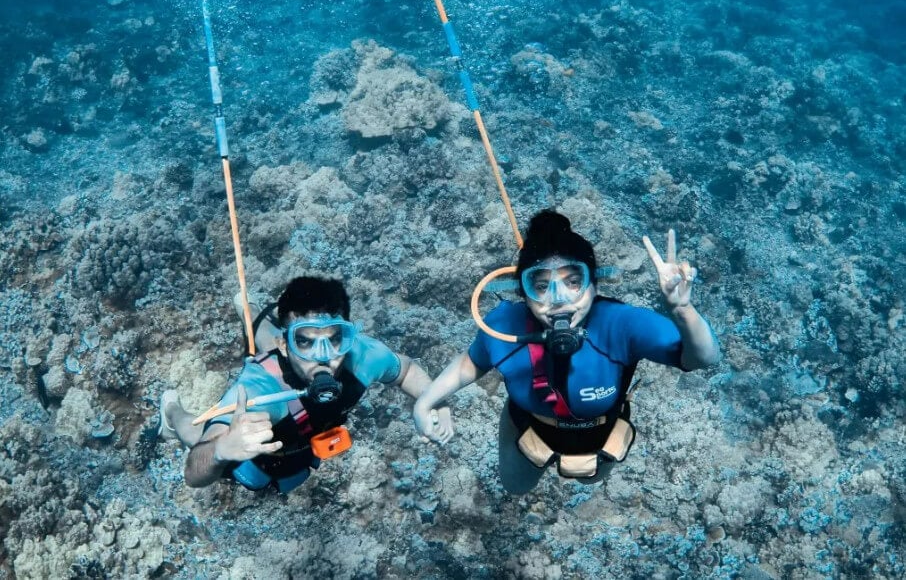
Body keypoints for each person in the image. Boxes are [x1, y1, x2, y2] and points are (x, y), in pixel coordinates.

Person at [412, 210, 721, 494]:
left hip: (600, 437)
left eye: (573, 282)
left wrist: (682, 309)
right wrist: (424, 403)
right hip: (527, 428)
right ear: (524, 294)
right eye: (542, 286)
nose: (559, 300)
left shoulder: (622, 324)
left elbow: (703, 358)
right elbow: (470, 364)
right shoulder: (504, 324)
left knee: (592, 481)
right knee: (515, 488)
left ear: (594, 286)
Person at [159, 276, 453, 492]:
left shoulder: (364, 356)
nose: (323, 358)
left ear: (346, 335)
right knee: (194, 432)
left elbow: (407, 371)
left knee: (274, 345)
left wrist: (432, 403)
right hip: (259, 459)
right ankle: (171, 413)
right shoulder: (255, 393)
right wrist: (222, 448)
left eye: (334, 339)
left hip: (306, 440)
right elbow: (193, 475)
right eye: (305, 341)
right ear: (286, 345)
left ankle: (249, 310)